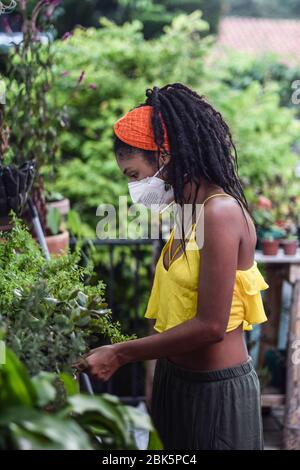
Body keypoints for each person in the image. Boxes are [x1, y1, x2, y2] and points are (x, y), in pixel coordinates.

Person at [74, 83, 269, 450]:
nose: (134, 188)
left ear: (164, 156)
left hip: (215, 393)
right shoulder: (185, 214)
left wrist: (120, 352)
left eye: (134, 175)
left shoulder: (220, 213)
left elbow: (211, 326)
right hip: (173, 383)